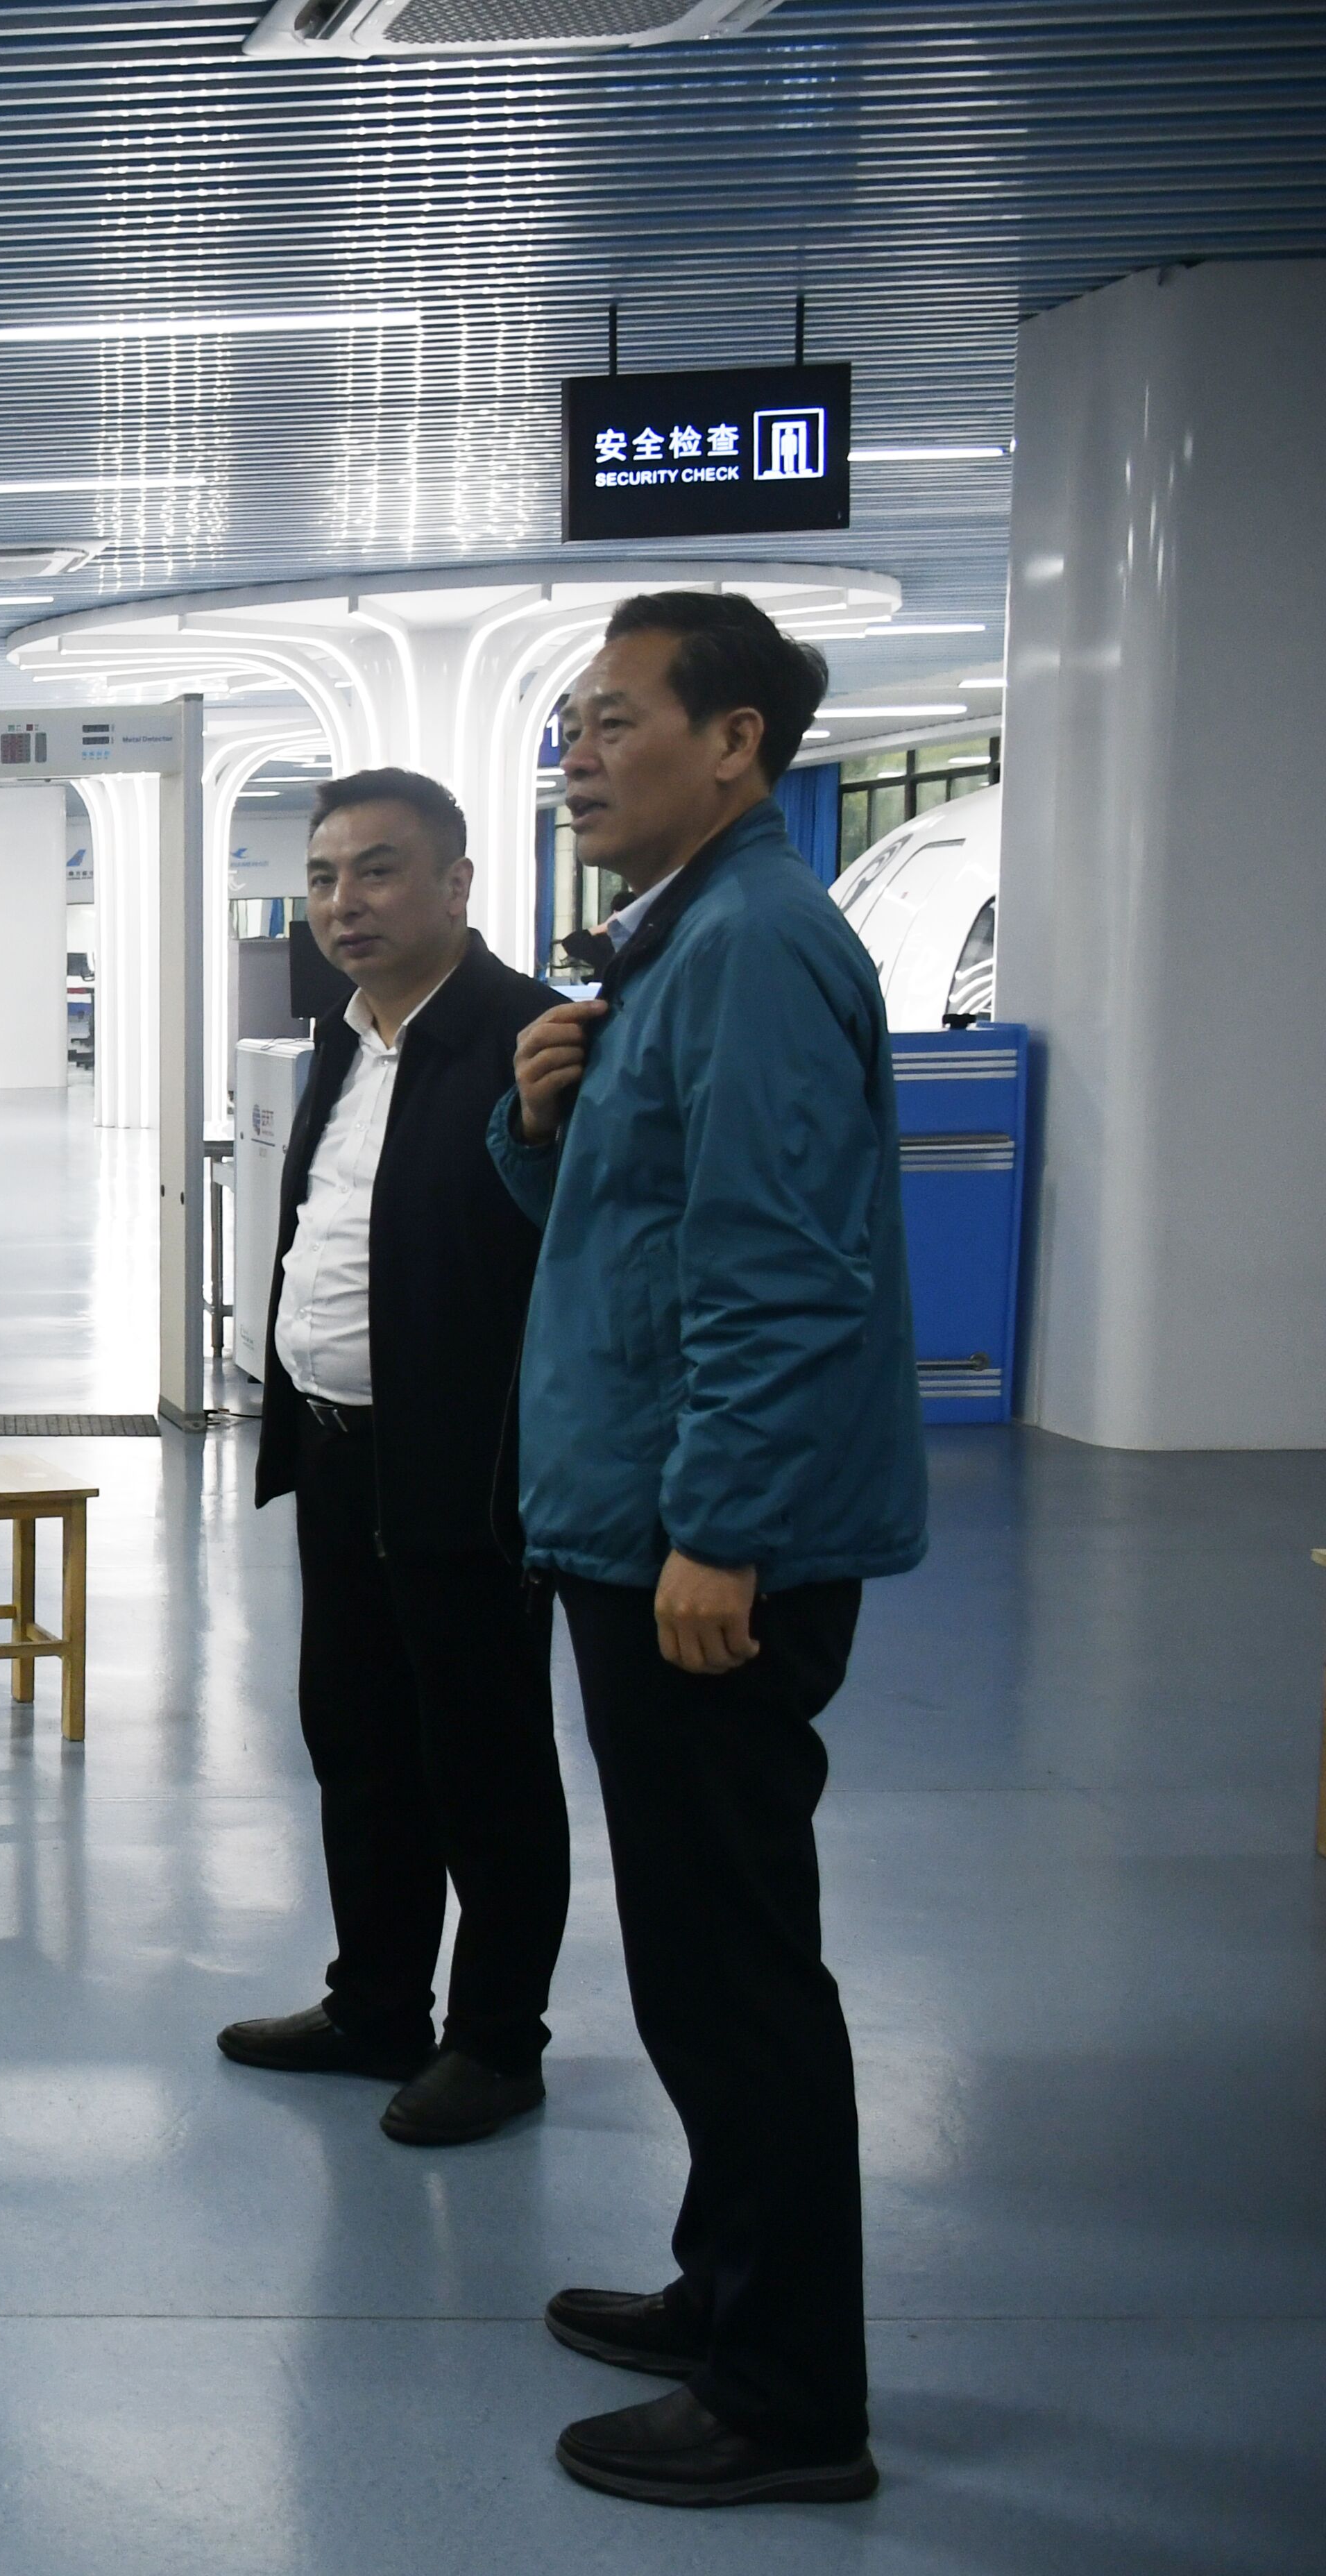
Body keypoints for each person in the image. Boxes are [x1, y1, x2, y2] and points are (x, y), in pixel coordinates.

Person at [491, 592, 923, 2509]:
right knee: (688, 1950)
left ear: (735, 742)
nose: (577, 757)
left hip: (699, 1543)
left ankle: (788, 2396)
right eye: (569, 726)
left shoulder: (751, 945)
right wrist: (538, 1124)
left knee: (733, 1965)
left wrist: (723, 1533)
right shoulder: (678, 947)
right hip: (637, 1515)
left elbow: (782, 1270)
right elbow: (635, 1231)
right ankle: (723, 2285)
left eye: (614, 720)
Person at [221, 768, 566, 2149]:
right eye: (321, 877)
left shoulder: (527, 1037)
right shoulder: (344, 1039)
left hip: (466, 1466)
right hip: (340, 1450)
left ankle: (496, 2039)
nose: (342, 902)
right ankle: (375, 2004)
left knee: (483, 1758)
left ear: (455, 882)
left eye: (375, 870)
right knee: (357, 1738)